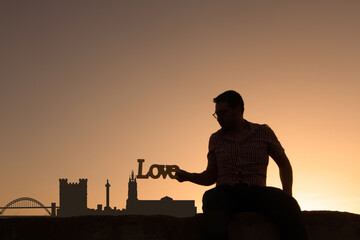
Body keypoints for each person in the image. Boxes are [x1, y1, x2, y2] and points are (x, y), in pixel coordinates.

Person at [175, 90, 307, 240]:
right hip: (226, 193)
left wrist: (287, 195)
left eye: (223, 113)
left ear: (237, 110)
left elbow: (284, 164)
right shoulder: (215, 139)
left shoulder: (263, 132)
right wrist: (187, 176)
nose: (219, 118)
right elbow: (210, 176)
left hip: (256, 192)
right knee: (211, 199)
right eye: (216, 115)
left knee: (289, 205)